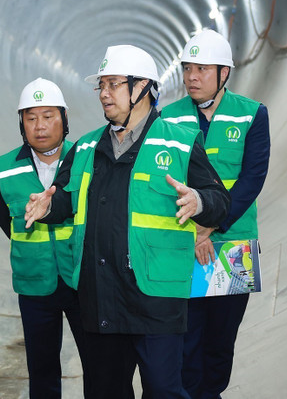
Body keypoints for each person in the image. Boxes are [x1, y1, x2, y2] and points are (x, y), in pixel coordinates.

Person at [24, 44, 231, 399]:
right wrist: (49, 205)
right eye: (101, 86)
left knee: (164, 390)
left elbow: (219, 201)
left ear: (142, 88)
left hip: (156, 299)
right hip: (101, 296)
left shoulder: (180, 142)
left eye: (114, 84)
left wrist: (199, 201)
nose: (104, 94)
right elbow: (68, 200)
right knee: (105, 391)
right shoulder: (87, 147)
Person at [161, 29, 270, 399]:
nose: (192, 76)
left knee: (221, 342)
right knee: (186, 341)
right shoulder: (168, 119)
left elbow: (251, 179)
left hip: (234, 245)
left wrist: (210, 226)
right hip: (183, 244)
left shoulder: (252, 115)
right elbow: (163, 184)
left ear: (224, 73)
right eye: (188, 68)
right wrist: (192, 233)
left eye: (202, 69)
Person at [0, 78, 89, 398]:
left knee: (100, 363)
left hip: (82, 279)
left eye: (48, 116)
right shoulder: (4, 169)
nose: (40, 126)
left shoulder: (86, 159)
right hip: (35, 284)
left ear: (64, 118)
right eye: (31, 118)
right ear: (21, 124)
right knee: (42, 370)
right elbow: (7, 220)